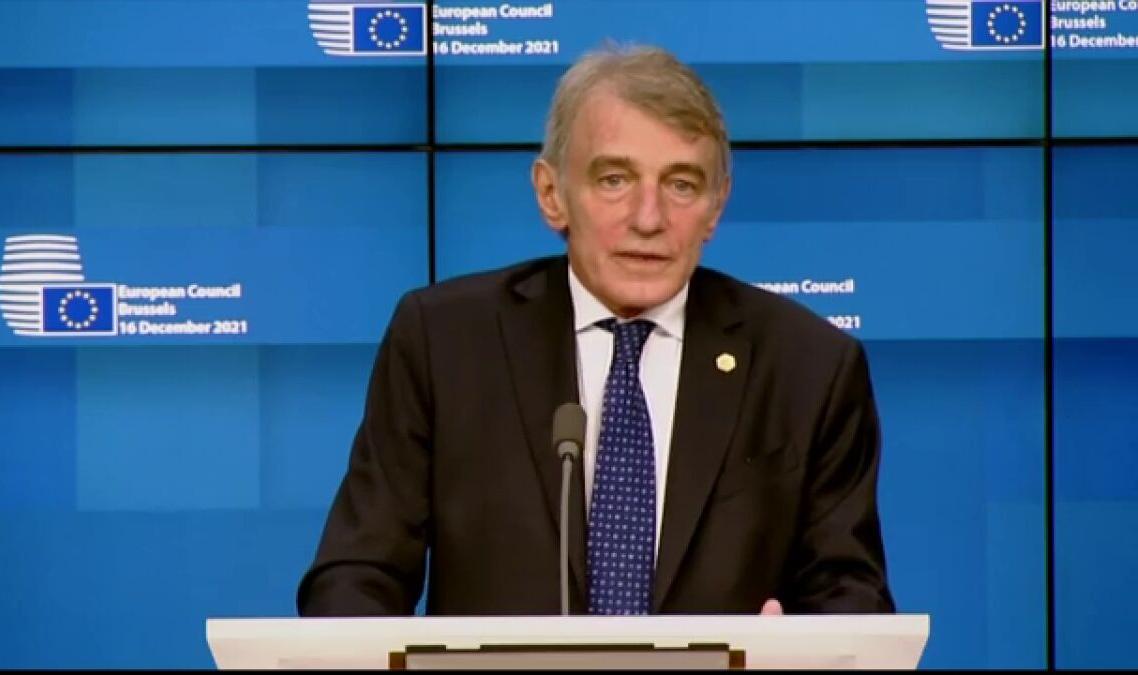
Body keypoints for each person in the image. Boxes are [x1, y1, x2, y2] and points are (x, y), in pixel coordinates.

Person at [297, 43, 894, 617]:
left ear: (716, 206)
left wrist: (801, 650)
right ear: (551, 194)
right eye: (614, 179)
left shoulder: (808, 365)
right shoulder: (444, 341)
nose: (649, 218)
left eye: (682, 184)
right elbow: (355, 576)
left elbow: (853, 599)